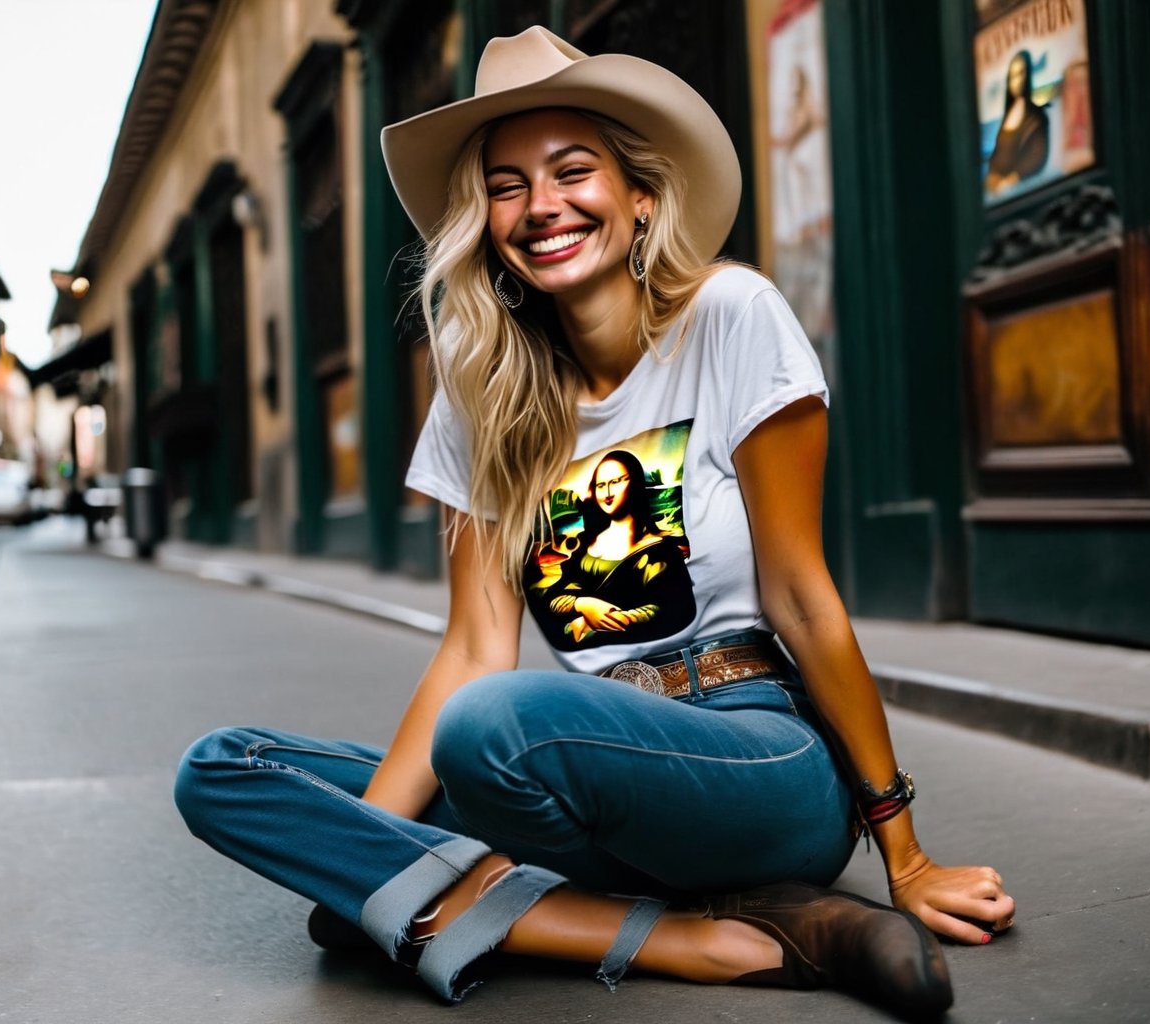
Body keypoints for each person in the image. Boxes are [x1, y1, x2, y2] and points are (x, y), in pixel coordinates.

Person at [174, 26, 1013, 1017]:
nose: (542, 207)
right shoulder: (479, 387)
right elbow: (472, 649)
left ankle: (444, 899)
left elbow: (802, 595)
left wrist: (903, 851)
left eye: (574, 170)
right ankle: (685, 933)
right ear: (484, 221)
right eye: (506, 185)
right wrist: (356, 850)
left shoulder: (731, 316)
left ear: (641, 193)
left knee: (487, 729)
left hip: (757, 751)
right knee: (227, 769)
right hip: (571, 769)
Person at [525, 447, 695, 649]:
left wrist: (592, 624)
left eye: (615, 482)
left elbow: (672, 610)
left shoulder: (661, 550)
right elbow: (553, 598)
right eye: (600, 485)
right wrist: (584, 605)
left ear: (635, 482)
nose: (607, 493)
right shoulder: (585, 548)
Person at [984, 49, 1049, 196]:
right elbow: (999, 151)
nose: (1016, 81)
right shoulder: (1008, 114)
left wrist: (1010, 180)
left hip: (1021, 190)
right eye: (1013, 76)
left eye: (1020, 74)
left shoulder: (1037, 117)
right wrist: (992, 174)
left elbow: (1037, 157)